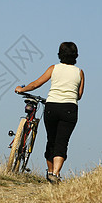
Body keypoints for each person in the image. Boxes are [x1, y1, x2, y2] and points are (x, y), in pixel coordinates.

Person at [15, 42, 85, 183]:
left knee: (51, 140)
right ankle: (56, 174)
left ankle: (50, 172)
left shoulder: (53, 68)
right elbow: (79, 95)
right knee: (62, 142)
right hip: (69, 109)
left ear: (60, 54)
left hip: (52, 107)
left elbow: (36, 84)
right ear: (76, 55)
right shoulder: (79, 72)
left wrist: (22, 89)